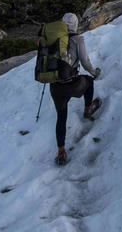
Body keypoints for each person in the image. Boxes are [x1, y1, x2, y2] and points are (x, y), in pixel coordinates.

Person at [49, 12, 102, 165]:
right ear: (76, 25)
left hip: (55, 87)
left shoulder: (54, 39)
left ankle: (60, 152)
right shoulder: (77, 39)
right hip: (72, 84)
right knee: (89, 82)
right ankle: (87, 110)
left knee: (61, 117)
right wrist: (95, 72)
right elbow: (85, 62)